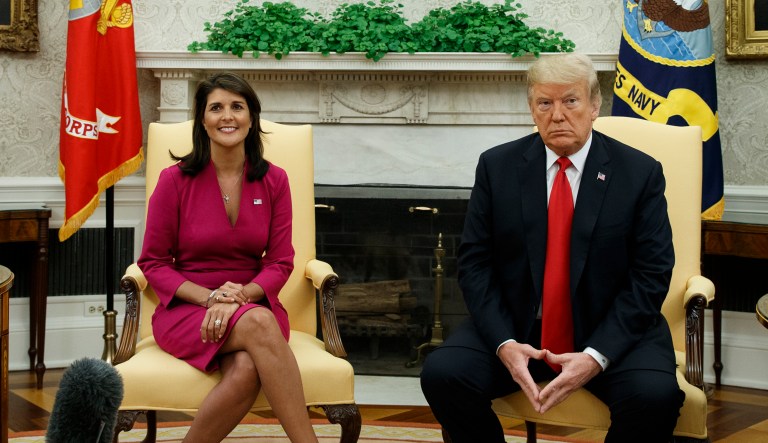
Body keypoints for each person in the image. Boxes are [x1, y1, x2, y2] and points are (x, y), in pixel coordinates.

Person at [420, 53, 685, 443]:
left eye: (570, 101)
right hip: (519, 328)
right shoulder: (497, 166)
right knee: (443, 374)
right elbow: (475, 264)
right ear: (532, 108)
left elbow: (651, 274)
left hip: (609, 331)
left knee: (655, 397)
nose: (557, 115)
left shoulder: (639, 173)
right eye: (545, 103)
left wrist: (596, 356)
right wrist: (505, 344)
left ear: (595, 106)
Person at [138, 72, 318, 443]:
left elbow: (281, 261)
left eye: (237, 107)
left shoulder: (275, 181)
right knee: (259, 326)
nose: (227, 116)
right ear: (202, 120)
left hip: (254, 301)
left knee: (247, 368)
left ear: (252, 118)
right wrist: (211, 298)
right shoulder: (174, 181)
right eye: (215, 107)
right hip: (187, 310)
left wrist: (241, 296)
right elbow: (153, 263)